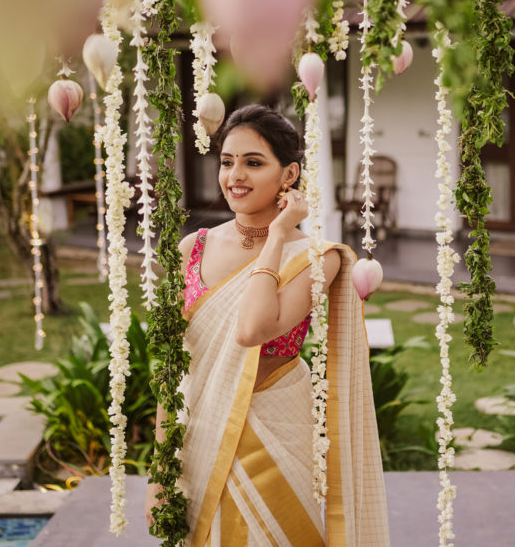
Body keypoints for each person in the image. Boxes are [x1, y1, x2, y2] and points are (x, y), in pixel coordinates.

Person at [145, 104, 390, 546]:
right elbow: (170, 369)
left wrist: (276, 236)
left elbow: (254, 328)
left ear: (289, 174)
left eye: (253, 163)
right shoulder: (192, 248)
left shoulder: (319, 258)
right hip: (199, 430)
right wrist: (160, 472)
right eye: (226, 161)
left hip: (276, 432)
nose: (234, 176)